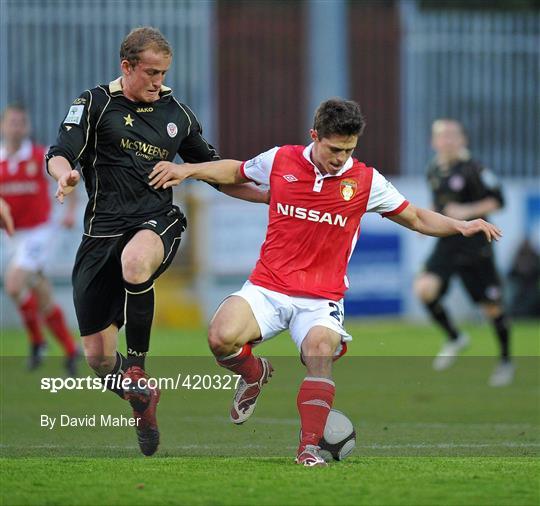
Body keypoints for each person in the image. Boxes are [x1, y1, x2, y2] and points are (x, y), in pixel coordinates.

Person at [148, 99, 502, 466]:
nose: (340, 157)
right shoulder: (281, 160)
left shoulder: (366, 181)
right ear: (314, 136)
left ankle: (308, 450)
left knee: (319, 353)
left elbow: (414, 216)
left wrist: (460, 225)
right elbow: (236, 171)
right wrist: (188, 169)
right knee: (220, 338)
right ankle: (254, 373)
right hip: (268, 286)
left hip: (321, 298)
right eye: (334, 149)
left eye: (348, 150)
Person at [46, 26, 268, 457]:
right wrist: (65, 176)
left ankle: (138, 369)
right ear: (126, 67)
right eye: (150, 72)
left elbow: (216, 171)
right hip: (99, 235)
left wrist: (268, 197)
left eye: (163, 72)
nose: (158, 81)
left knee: (135, 262)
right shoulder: (93, 104)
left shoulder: (177, 114)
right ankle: (142, 400)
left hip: (156, 222)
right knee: (95, 359)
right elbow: (60, 152)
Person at [413, 118, 513, 387]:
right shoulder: (433, 169)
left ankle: (505, 361)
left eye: (453, 135)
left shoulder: (475, 169)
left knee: (492, 306)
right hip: (448, 241)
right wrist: (424, 223)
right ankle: (455, 337)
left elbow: (499, 200)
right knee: (424, 289)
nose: (448, 140)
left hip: (475, 245)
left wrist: (467, 213)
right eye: (442, 136)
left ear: (463, 140)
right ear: (434, 142)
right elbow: (438, 200)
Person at [0, 104, 79, 374]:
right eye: (12, 122)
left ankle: (36, 340)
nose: (17, 127)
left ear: (28, 127)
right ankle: (70, 349)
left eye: (22, 122)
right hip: (12, 237)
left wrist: (69, 212)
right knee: (40, 291)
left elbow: (68, 180)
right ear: (3, 126)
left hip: (40, 233)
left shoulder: (39, 156)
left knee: (13, 284)